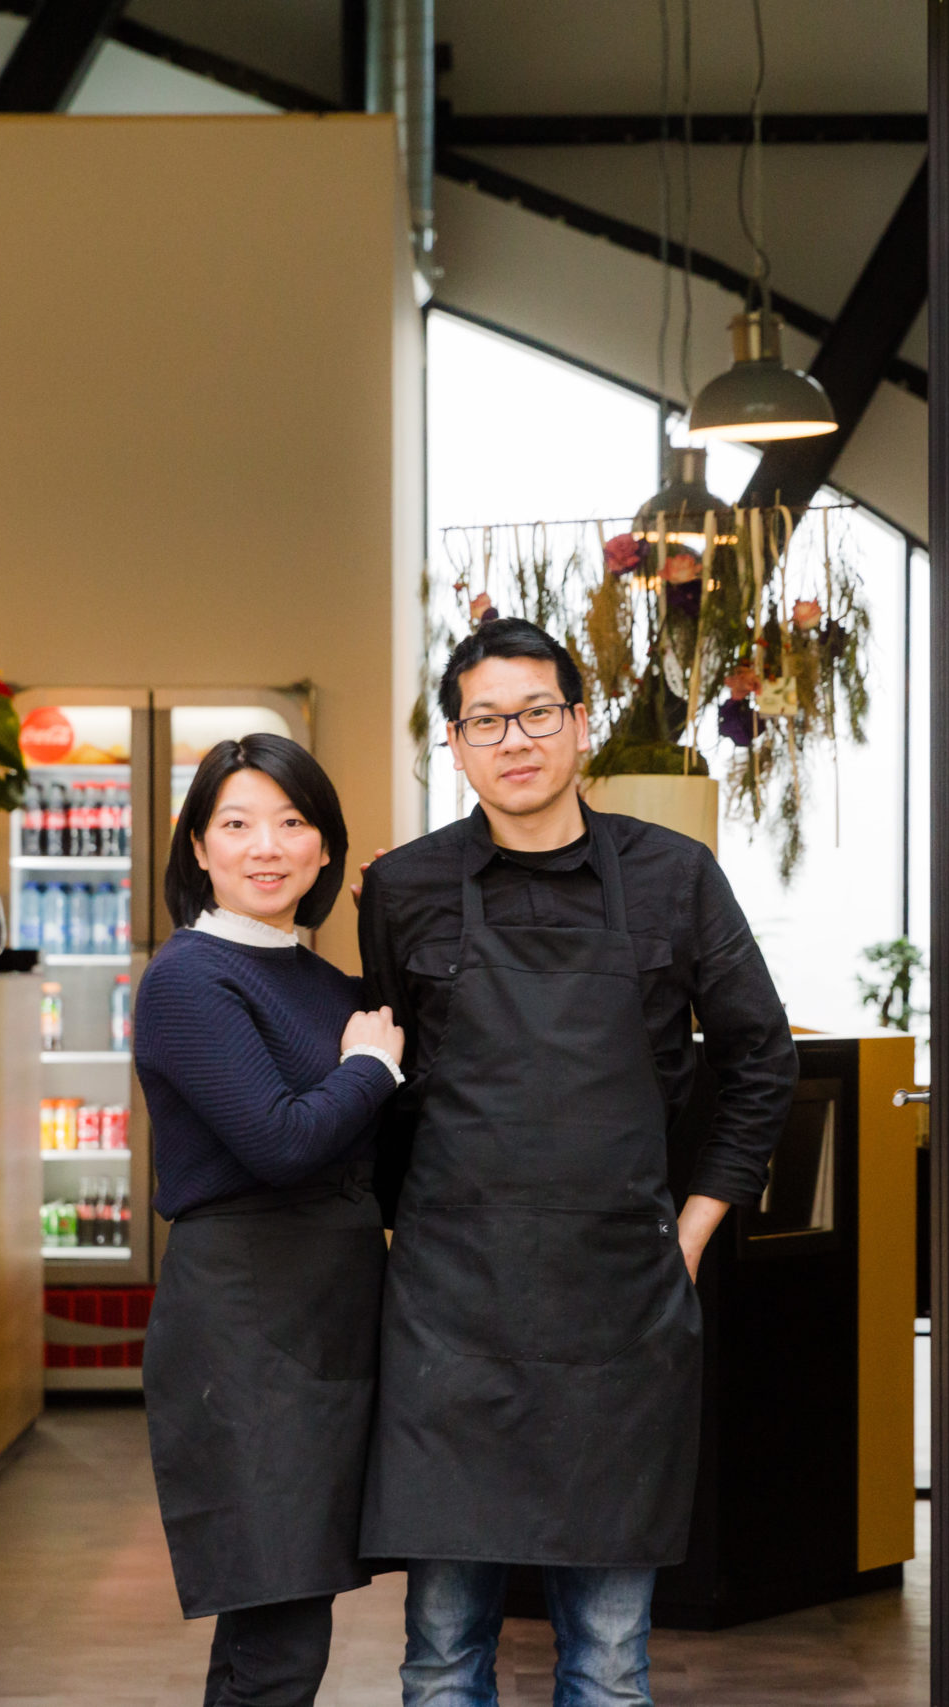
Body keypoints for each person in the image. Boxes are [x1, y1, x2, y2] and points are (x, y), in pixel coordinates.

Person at [356, 618, 797, 1707]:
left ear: (580, 723)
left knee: (606, 1659)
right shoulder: (402, 887)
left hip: (619, 1313)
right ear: (454, 745)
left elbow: (761, 1062)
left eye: (537, 712)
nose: (515, 740)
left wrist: (689, 1234)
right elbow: (384, 1083)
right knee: (441, 1651)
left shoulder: (674, 879)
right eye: (486, 721)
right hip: (450, 1316)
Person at [135, 733, 406, 1707]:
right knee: (280, 1635)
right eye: (237, 824)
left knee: (274, 1622)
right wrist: (368, 1069)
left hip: (325, 1314)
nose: (267, 846)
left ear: (325, 849)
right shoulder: (188, 979)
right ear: (197, 847)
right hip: (242, 1326)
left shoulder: (329, 986)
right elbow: (284, 1142)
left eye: (293, 824)